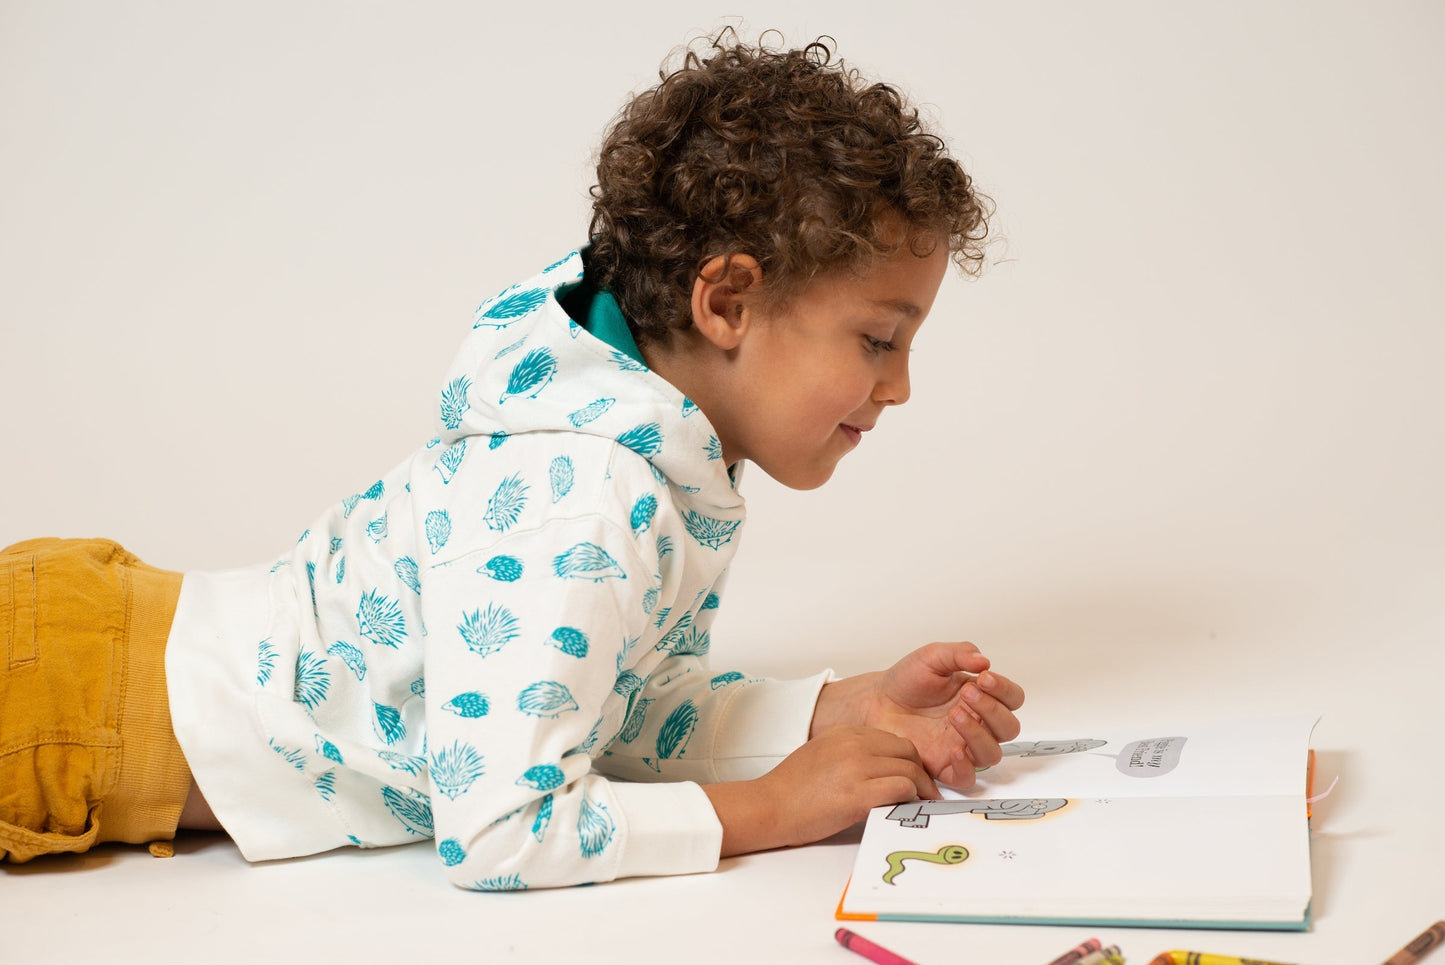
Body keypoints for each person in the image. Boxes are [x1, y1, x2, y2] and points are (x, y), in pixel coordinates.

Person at [0, 32, 1023, 889]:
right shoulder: (576, 496)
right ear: (725, 302)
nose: (897, 388)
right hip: (66, 705)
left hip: (92, 641)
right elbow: (501, 829)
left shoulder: (639, 440)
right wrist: (768, 807)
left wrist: (826, 709)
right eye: (877, 340)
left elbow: (601, 707)